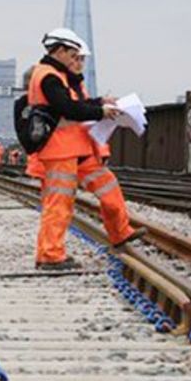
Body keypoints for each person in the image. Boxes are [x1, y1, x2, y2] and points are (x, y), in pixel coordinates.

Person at [28, 28, 145, 270]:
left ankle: (120, 232)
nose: (76, 60)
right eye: (73, 55)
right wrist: (100, 111)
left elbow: (77, 105)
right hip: (60, 151)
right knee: (58, 204)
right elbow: (68, 108)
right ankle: (50, 256)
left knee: (109, 188)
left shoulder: (61, 76)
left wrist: (101, 103)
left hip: (79, 149)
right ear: (58, 51)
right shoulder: (48, 77)